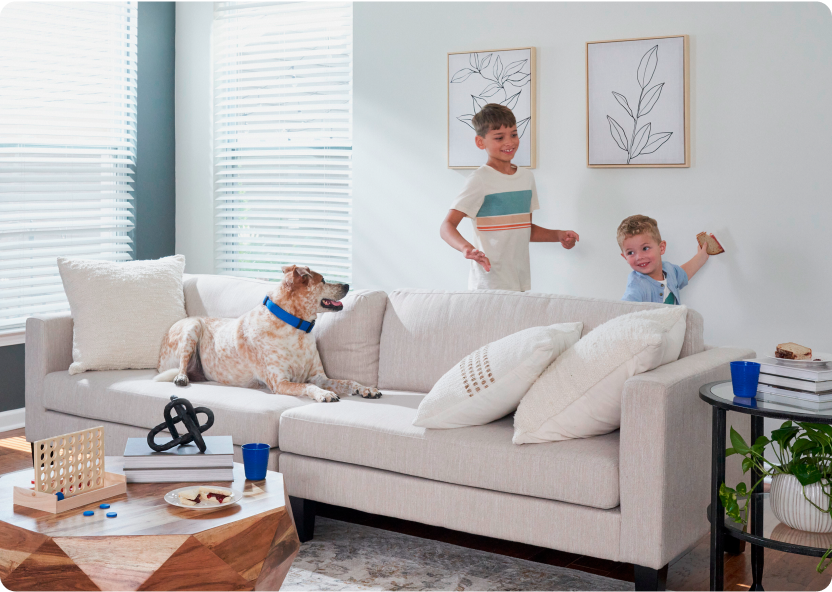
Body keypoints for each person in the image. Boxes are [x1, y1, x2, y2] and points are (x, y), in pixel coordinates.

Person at [439, 104, 579, 292]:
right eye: (499, 137)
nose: (509, 142)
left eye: (513, 134)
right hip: (488, 283)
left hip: (519, 281)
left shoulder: (526, 178)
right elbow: (446, 226)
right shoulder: (479, 180)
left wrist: (559, 235)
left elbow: (525, 229)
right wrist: (466, 248)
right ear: (481, 142)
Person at [618, 214, 712, 304]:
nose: (639, 257)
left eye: (645, 248)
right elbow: (625, 310)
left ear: (661, 248)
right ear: (625, 257)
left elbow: (684, 273)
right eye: (630, 253)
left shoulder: (668, 270)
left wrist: (701, 256)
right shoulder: (636, 285)